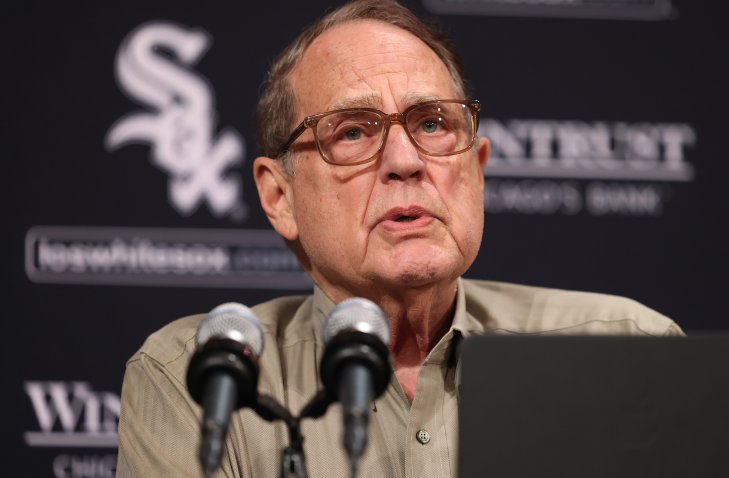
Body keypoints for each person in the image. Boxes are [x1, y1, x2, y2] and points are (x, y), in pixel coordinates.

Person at [116, 1, 684, 476]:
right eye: (354, 132)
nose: (406, 161)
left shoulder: (628, 351)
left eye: (433, 123)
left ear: (477, 168)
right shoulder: (205, 378)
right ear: (279, 198)